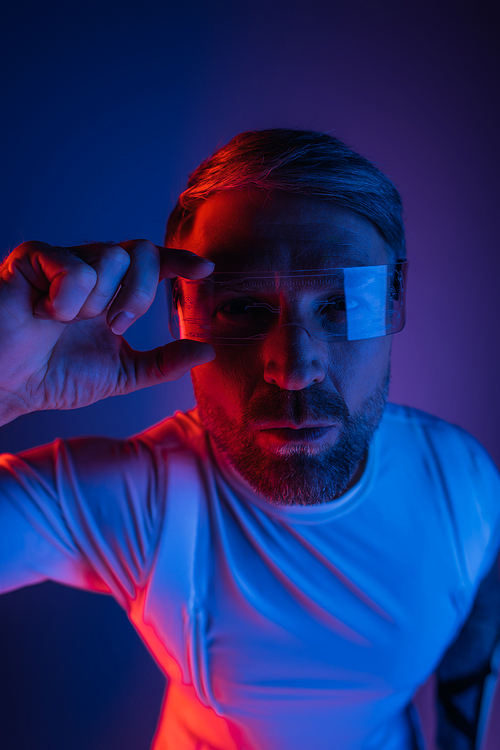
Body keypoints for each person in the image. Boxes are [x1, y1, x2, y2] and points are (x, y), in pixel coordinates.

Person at [0, 128, 499, 750]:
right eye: (241, 307)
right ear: (180, 310)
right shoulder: (145, 498)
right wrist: (4, 386)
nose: (293, 368)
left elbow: (472, 655)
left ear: (395, 298)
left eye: (342, 304)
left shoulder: (462, 481)